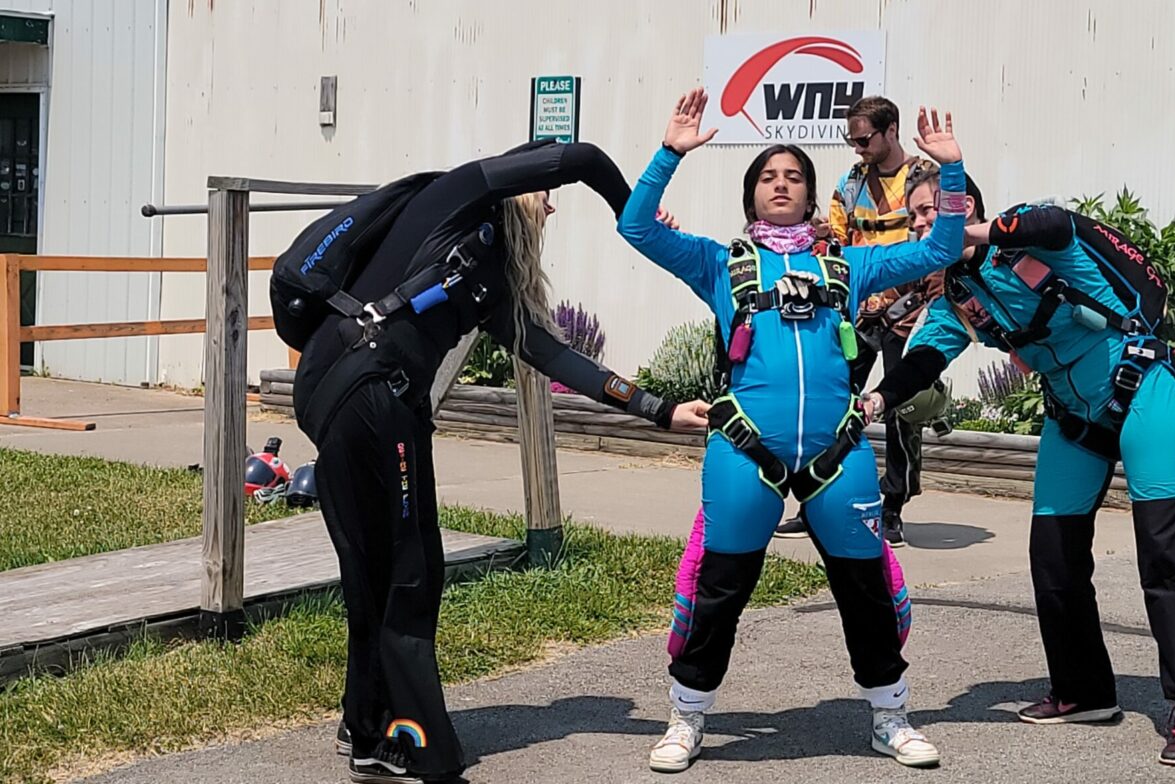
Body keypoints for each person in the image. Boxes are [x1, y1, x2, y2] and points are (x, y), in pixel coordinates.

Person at [290, 140, 710, 783]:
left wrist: (657, 408)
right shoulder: (460, 194)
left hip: (343, 392)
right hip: (370, 393)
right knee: (410, 571)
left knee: (373, 569)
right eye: (544, 193)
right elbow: (584, 159)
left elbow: (557, 357)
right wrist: (639, 213)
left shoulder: (488, 282)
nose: (552, 205)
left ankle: (365, 720)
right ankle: (408, 741)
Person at [618, 87, 970, 772]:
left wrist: (949, 171)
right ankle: (687, 717)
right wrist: (669, 153)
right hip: (744, 450)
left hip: (838, 457)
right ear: (752, 198)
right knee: (720, 589)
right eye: (769, 179)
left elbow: (945, 244)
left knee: (864, 591)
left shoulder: (851, 263)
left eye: (795, 178)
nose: (782, 186)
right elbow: (636, 228)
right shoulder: (719, 263)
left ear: (811, 197)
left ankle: (889, 715)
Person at [867, 164, 1175, 767]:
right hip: (1075, 421)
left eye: (929, 210)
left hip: (1144, 392)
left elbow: (1058, 221)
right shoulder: (956, 300)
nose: (920, 223)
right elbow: (921, 365)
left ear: (963, 209)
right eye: (914, 216)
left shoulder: (1028, 239)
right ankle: (1084, 691)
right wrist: (879, 399)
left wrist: (974, 230)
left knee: (1165, 555)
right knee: (1053, 558)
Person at [776, 96, 940, 544]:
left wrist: (918, 302)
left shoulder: (924, 178)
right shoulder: (852, 181)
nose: (857, 147)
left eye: (864, 138)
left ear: (891, 131)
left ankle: (892, 507)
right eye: (852, 139)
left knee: (900, 412)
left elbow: (936, 241)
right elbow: (835, 239)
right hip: (858, 315)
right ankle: (815, 502)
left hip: (909, 312)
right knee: (831, 402)